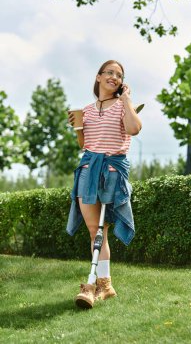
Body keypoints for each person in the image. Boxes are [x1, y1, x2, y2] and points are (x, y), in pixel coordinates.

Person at [67, 60, 142, 309]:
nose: (114, 77)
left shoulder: (123, 106)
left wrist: (127, 99)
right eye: (109, 72)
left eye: (119, 75)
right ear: (98, 77)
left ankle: (101, 284)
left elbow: (134, 129)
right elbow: (84, 144)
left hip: (111, 170)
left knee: (102, 229)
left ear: (122, 83)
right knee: (93, 230)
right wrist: (77, 126)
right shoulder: (87, 109)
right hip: (88, 170)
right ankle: (104, 285)